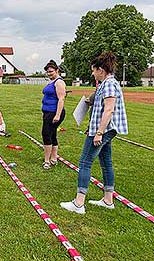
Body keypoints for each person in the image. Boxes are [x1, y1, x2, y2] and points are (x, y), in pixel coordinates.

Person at [61, 52, 128, 214]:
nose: (92, 73)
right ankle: (108, 200)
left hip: (104, 130)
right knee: (106, 162)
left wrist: (98, 132)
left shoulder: (109, 84)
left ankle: (78, 203)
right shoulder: (105, 83)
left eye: (93, 70)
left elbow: (109, 109)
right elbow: (99, 108)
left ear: (101, 70)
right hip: (104, 129)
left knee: (84, 162)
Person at [41, 60, 66, 170]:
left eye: (51, 71)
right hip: (48, 112)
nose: (49, 73)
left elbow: (61, 99)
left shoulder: (59, 82)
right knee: (52, 134)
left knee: (46, 134)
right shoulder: (52, 81)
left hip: (54, 112)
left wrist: (57, 115)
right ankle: (54, 158)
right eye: (47, 72)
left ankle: (47, 160)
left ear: (57, 70)